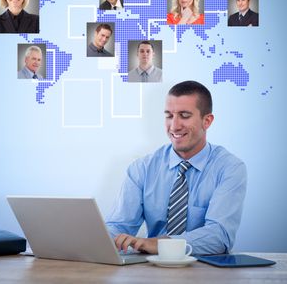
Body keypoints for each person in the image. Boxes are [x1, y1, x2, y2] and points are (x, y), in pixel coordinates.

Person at [106, 81, 247, 255]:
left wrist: (161, 244)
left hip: (206, 271)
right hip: (152, 270)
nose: (174, 126)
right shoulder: (141, 169)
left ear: (207, 121)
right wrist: (96, 240)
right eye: (169, 116)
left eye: (185, 115)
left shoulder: (229, 169)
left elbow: (219, 236)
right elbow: (119, 226)